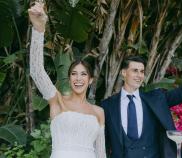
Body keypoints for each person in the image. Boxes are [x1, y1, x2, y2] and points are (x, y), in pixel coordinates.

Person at [28, 2, 106, 158]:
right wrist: (39, 29)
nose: (78, 78)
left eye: (83, 74)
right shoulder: (57, 101)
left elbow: (100, 153)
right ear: (69, 79)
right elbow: (36, 71)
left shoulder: (98, 112)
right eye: (74, 74)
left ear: (90, 80)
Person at [101, 45, 182, 157]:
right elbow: (102, 141)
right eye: (135, 71)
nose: (139, 75)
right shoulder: (107, 105)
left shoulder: (157, 99)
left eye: (142, 72)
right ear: (123, 73)